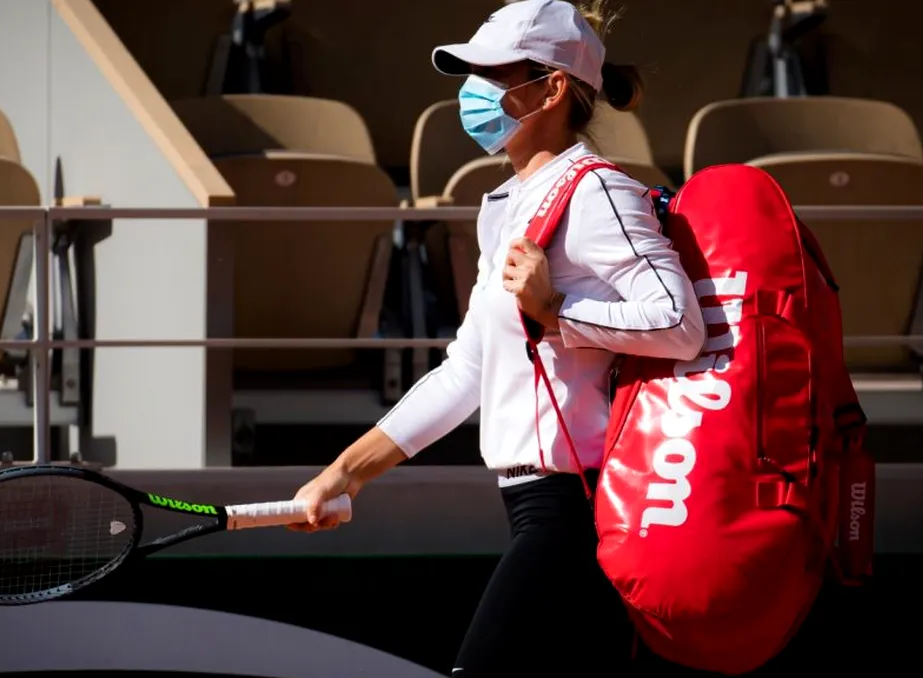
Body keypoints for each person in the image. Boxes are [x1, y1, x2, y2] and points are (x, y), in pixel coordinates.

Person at [288, 0, 708, 675]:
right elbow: (465, 373)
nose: (472, 92)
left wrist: (556, 310)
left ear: (553, 87)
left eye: (492, 74)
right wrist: (346, 472)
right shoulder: (510, 205)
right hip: (534, 508)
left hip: (581, 508)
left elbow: (680, 325)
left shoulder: (598, 192)